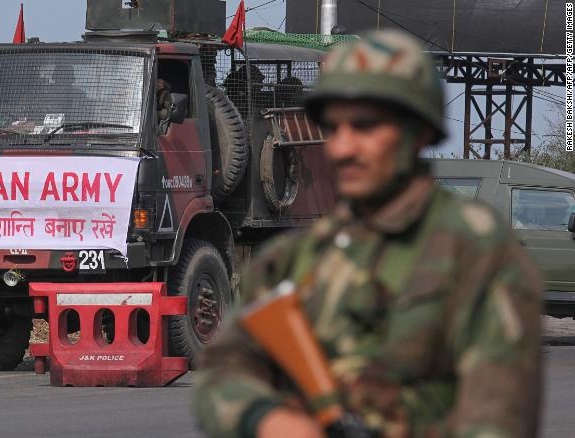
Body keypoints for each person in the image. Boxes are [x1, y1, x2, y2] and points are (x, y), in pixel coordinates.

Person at [194, 30, 541, 437]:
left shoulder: (477, 254)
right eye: (334, 127)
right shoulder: (293, 258)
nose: (342, 147)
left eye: (365, 126)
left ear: (420, 132)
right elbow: (220, 376)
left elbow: (501, 415)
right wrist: (269, 420)